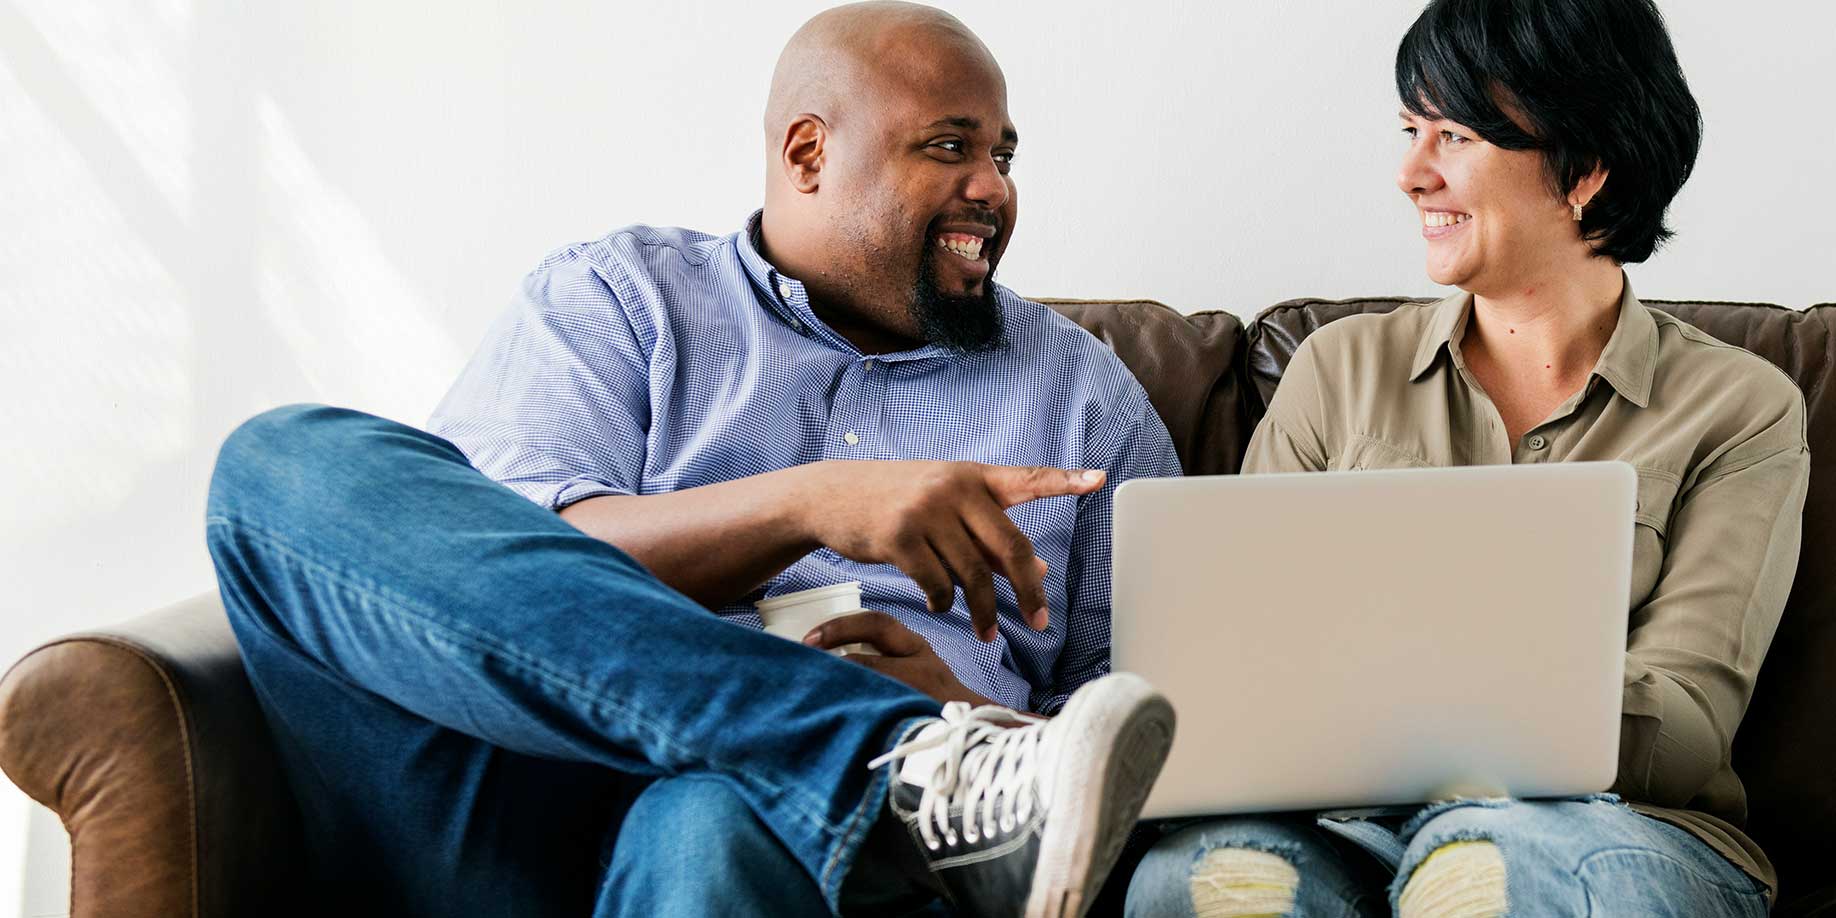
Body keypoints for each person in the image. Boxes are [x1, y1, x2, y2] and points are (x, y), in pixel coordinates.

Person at [205, 3, 1183, 917]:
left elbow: (1157, 726)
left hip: (826, 868)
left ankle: (923, 773)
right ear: (809, 151)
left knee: (717, 815)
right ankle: (890, 756)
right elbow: (502, 577)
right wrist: (810, 505)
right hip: (521, 814)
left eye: (1003, 155)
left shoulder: (1086, 401)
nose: (995, 187)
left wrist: (971, 712)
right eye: (949, 146)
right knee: (278, 465)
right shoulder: (621, 302)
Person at [1123, 0, 1808, 915]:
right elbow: (1246, 676)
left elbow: (1686, 727)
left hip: (1612, 826)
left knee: (1489, 864)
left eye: (1452, 135)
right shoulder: (1337, 370)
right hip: (1344, 830)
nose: (1410, 174)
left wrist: (1414, 695)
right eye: (1410, 130)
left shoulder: (1741, 409)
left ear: (1585, 167)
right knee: (1194, 882)